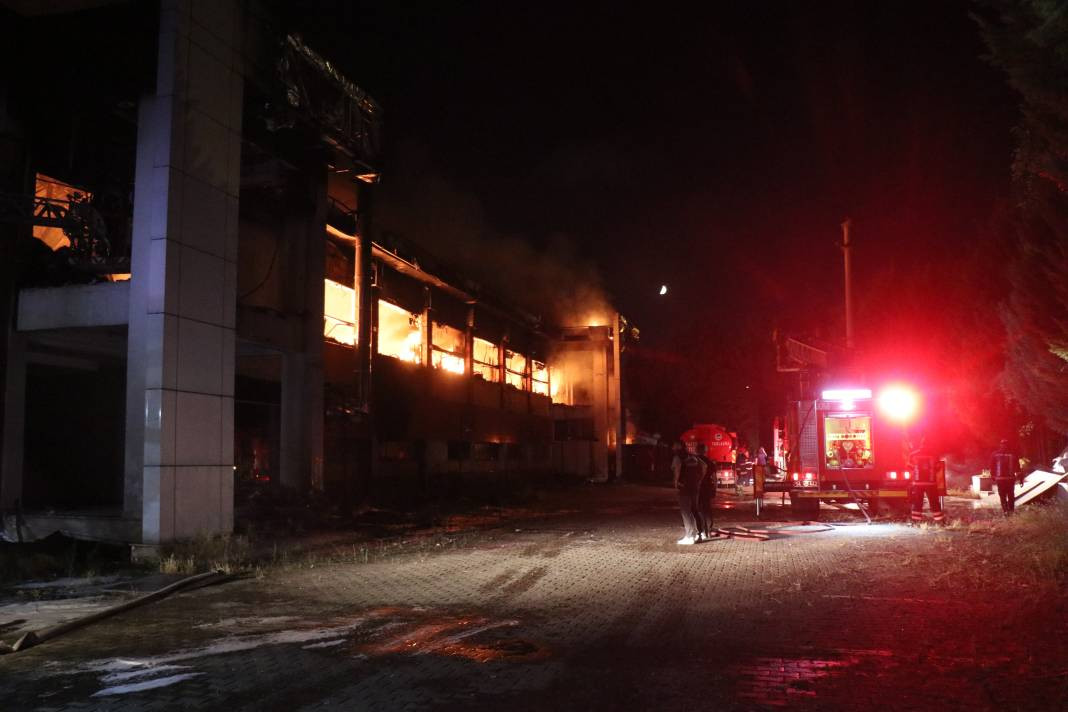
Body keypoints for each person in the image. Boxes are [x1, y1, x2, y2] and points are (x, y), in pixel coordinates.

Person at [672, 440, 705, 545]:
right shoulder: (693, 457)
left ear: (678, 447)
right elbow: (704, 466)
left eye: (674, 445)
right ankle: (700, 533)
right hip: (694, 487)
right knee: (695, 509)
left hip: (684, 487)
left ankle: (689, 536)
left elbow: (677, 469)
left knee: (686, 511)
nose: (672, 447)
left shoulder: (678, 457)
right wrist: (699, 480)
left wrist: (676, 482)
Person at [908, 435, 944, 526]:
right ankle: (939, 521)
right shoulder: (935, 455)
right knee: (934, 502)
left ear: (921, 444)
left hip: (918, 483)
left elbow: (909, 467)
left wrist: (916, 472)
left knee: (917, 502)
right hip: (931, 483)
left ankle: (916, 522)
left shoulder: (913, 455)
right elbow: (938, 467)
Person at [991, 439, 1019, 515]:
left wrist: (993, 475)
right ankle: (1009, 511)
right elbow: (1018, 467)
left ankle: (1006, 511)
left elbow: (992, 466)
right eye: (1003, 444)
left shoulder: (995, 454)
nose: (1004, 446)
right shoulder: (1013, 454)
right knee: (1010, 495)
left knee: (1004, 495)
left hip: (1002, 479)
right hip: (1008, 479)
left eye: (1004, 444)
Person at [696, 443, 716, 540]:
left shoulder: (695, 461)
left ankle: (702, 531)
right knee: (707, 509)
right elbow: (714, 477)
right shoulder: (709, 462)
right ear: (705, 451)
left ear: (697, 450)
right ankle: (709, 530)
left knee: (699, 509)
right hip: (707, 487)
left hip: (698, 487)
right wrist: (715, 488)